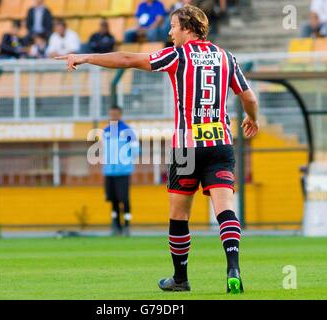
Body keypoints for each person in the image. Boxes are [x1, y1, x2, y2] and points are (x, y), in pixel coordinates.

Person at [56, 4, 259, 294]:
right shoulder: (227, 57)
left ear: (187, 28)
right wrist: (252, 119)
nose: (169, 32)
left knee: (179, 216)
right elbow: (249, 97)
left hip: (186, 146)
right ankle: (233, 267)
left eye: (173, 26)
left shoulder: (177, 55)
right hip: (220, 143)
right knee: (225, 209)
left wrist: (86, 56)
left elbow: (127, 57)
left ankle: (180, 278)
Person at [102, 106, 138, 236]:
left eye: (116, 114)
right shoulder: (105, 131)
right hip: (109, 171)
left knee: (124, 198)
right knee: (113, 199)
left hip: (123, 170)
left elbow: (136, 150)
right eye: (111, 114)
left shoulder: (127, 131)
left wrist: (126, 160)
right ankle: (116, 225)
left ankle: (127, 225)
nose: (113, 117)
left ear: (120, 115)